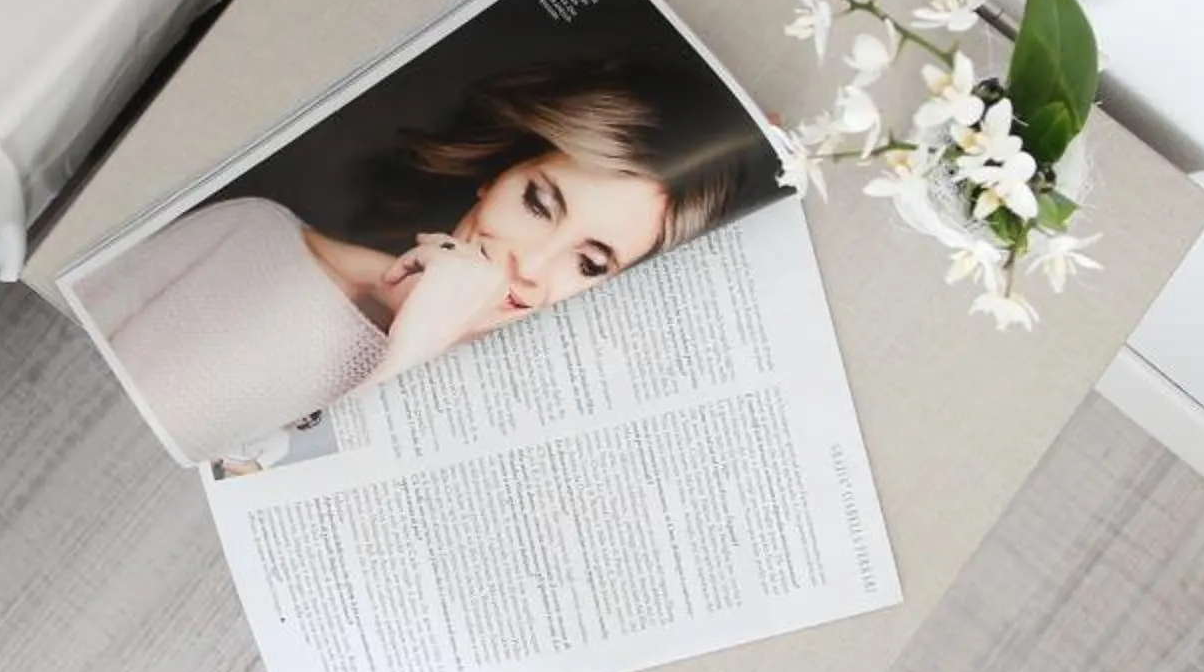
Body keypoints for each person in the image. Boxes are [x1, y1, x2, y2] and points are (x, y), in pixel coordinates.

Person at [75, 57, 767, 468]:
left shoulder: (530, 423)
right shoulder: (255, 235)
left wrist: (419, 349)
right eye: (537, 202)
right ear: (494, 176)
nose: (530, 267)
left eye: (590, 264)